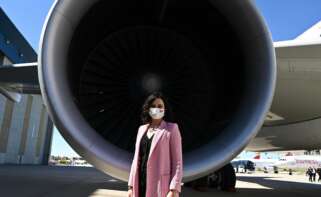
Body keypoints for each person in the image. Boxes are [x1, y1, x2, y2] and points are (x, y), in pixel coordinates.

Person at [127, 91, 183, 197]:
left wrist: (174, 189)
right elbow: (136, 159)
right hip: (140, 182)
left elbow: (177, 162)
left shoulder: (171, 129)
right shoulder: (141, 129)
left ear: (164, 109)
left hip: (160, 185)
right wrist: (131, 186)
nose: (156, 108)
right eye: (153, 106)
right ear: (148, 109)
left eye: (160, 106)